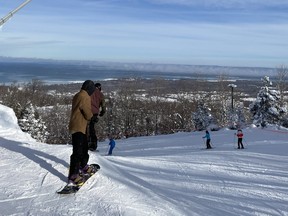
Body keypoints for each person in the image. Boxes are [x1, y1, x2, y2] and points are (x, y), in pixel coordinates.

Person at [67, 80, 98, 186]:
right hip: (78, 126)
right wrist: (92, 117)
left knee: (84, 147)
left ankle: (84, 166)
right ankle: (74, 175)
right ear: (89, 89)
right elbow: (86, 110)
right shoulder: (84, 96)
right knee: (77, 151)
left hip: (80, 126)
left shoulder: (78, 94)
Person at [87, 82, 106, 151]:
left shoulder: (89, 93)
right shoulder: (100, 94)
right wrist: (102, 113)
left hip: (87, 112)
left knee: (85, 128)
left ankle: (85, 143)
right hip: (94, 114)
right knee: (92, 129)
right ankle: (93, 145)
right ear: (99, 88)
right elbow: (103, 106)